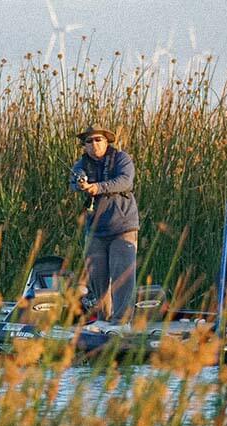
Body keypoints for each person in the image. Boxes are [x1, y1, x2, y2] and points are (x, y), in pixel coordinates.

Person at [69, 125, 140, 328]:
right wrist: (81, 183)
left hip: (122, 226)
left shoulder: (121, 159)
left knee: (122, 276)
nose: (94, 144)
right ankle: (103, 321)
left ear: (107, 141)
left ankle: (122, 322)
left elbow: (125, 181)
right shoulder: (81, 164)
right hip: (95, 230)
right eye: (89, 141)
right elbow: (74, 181)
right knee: (97, 278)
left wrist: (98, 187)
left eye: (98, 139)